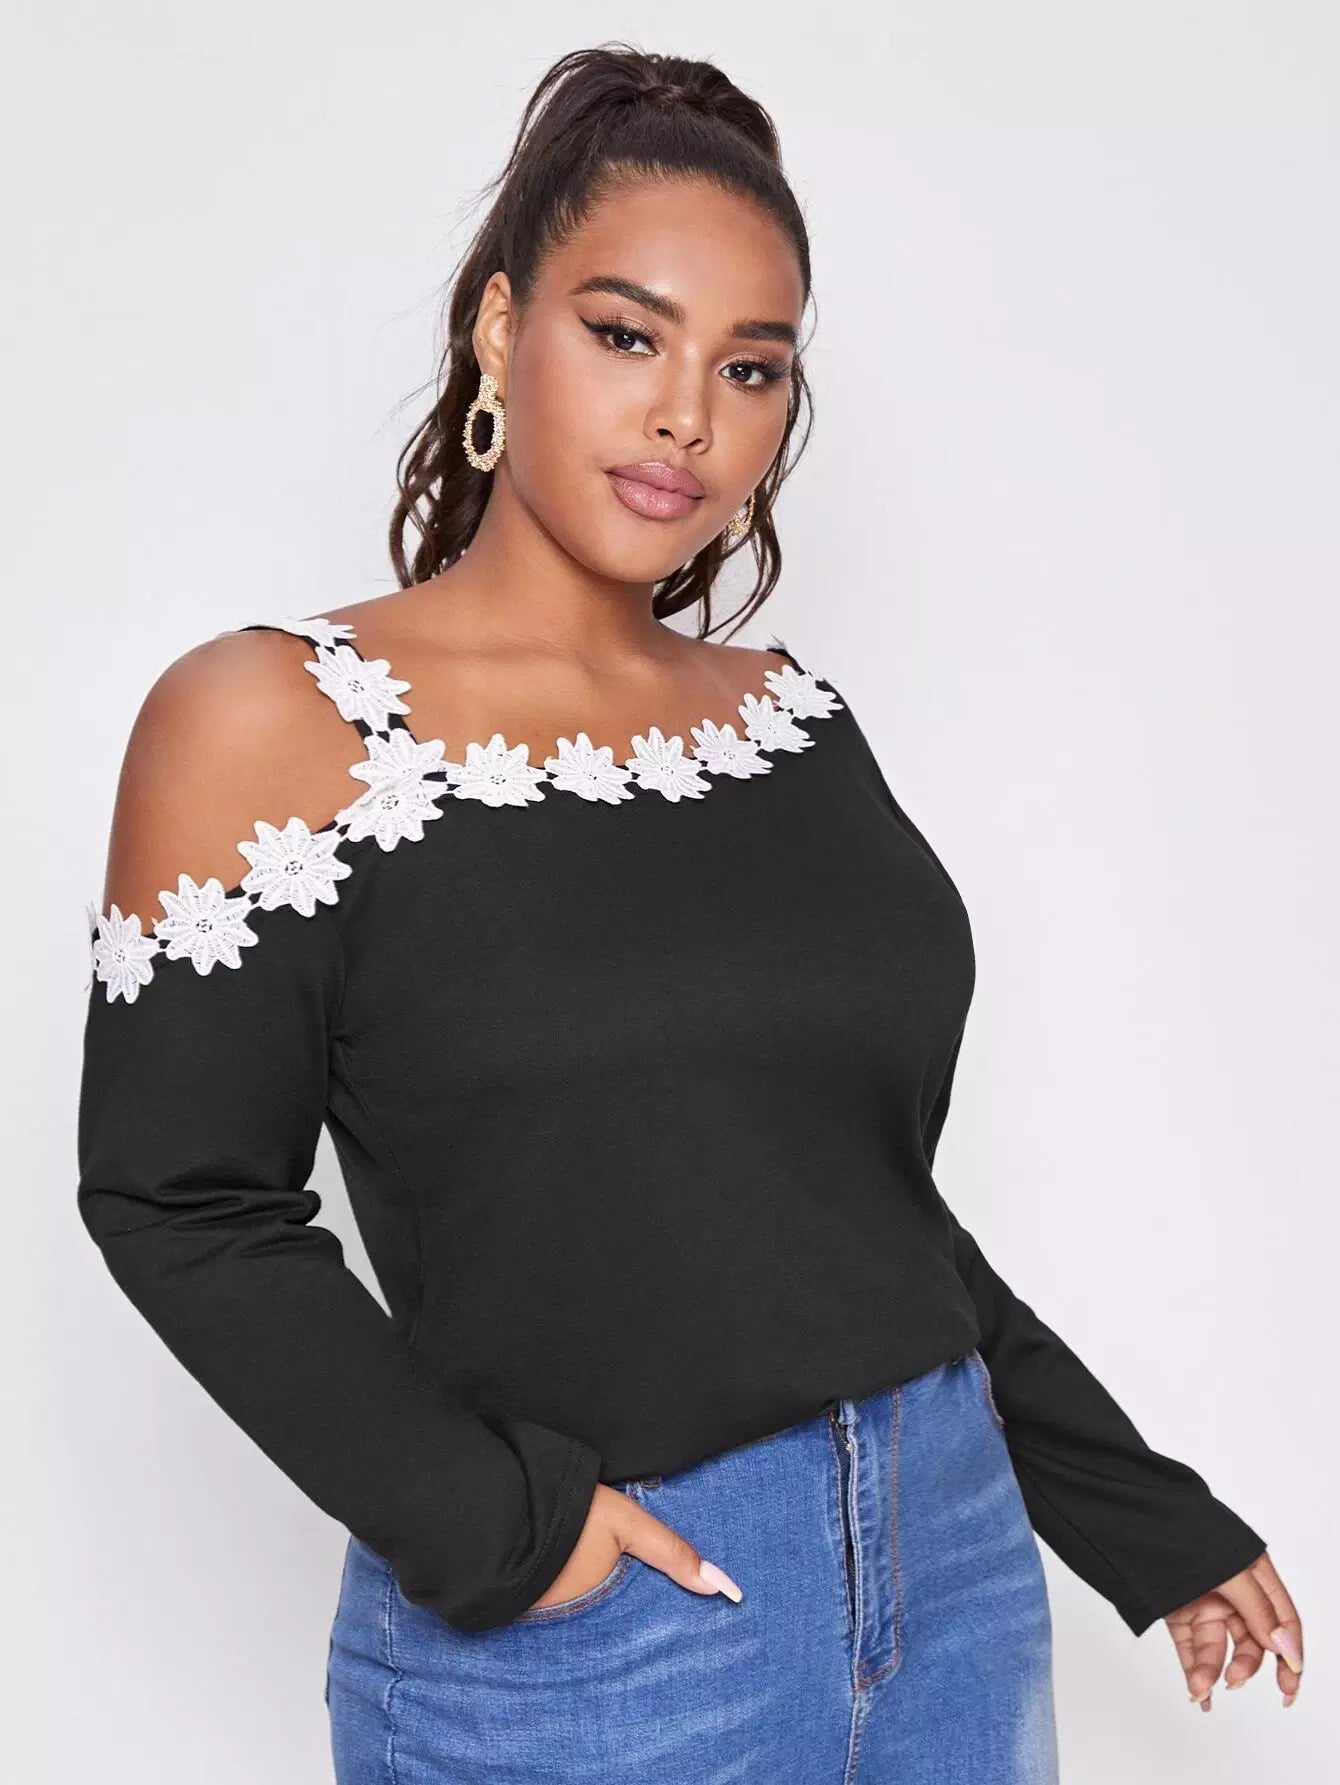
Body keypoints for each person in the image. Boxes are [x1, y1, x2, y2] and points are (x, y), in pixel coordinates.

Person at [76, 42, 1302, 1784]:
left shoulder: (791, 721)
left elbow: (854, 1210)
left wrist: (1133, 1509)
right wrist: (510, 1531)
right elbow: (177, 1196)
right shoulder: (273, 718)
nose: (687, 419)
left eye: (750, 367)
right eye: (625, 334)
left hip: (954, 1569)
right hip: (608, 1635)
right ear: (501, 329)